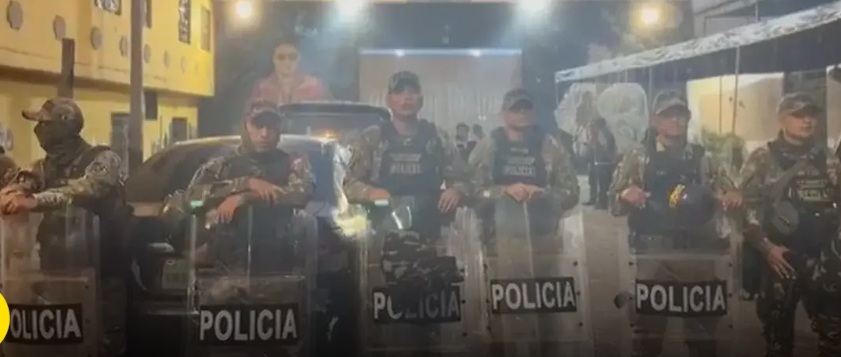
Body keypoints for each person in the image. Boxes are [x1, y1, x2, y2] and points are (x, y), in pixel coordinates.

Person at [609, 90, 742, 357]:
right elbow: (613, 202)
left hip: (698, 256)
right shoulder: (638, 157)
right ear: (654, 120)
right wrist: (625, 195)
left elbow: (732, 191)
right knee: (647, 334)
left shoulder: (705, 158)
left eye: (680, 114)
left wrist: (732, 196)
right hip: (652, 256)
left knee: (702, 336)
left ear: (688, 118)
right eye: (667, 114)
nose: (675, 120)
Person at [0, 97, 129, 357]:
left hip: (101, 277)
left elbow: (84, 188)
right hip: (55, 275)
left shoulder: (104, 160)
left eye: (44, 123)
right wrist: (13, 192)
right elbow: (26, 182)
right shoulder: (43, 166)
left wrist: (35, 201)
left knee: (103, 345)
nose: (38, 130)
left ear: (64, 126)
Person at [344, 70, 470, 291]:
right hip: (383, 239)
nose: (407, 97)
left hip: (431, 238)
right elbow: (350, 185)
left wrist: (455, 191)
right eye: (400, 92)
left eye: (412, 91)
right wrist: (371, 193)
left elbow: (464, 179)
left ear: (421, 99)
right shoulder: (373, 138)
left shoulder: (437, 137)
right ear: (389, 100)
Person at [738, 92, 841, 357]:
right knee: (778, 340)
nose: (807, 121)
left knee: (834, 337)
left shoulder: (827, 157)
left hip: (822, 262)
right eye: (798, 115)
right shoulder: (762, 158)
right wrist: (767, 248)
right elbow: (744, 209)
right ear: (782, 118)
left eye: (811, 115)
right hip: (780, 260)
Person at [185, 99, 314, 269]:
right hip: (225, 265)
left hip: (278, 261)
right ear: (246, 126)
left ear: (279, 130)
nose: (265, 134)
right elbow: (192, 196)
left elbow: (301, 193)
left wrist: (244, 198)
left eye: (271, 127)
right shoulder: (223, 164)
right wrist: (246, 183)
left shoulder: (293, 163)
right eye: (258, 126)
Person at [469, 88, 580, 213]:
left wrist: (542, 194)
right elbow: (471, 191)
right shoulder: (487, 146)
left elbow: (571, 192)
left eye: (527, 107)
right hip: (495, 221)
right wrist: (504, 191)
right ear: (504, 114)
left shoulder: (551, 146)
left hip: (541, 220)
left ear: (534, 113)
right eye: (516, 108)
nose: (522, 112)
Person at [250, 38, 332, 105]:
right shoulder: (261, 87)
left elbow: (330, 113)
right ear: (273, 59)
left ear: (299, 58)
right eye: (281, 57)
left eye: (292, 57)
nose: (287, 62)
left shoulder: (315, 85)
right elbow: (250, 116)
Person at [584, 117, 617, 209]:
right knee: (601, 182)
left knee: (604, 183)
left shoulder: (602, 133)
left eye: (592, 126)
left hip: (604, 163)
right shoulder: (602, 133)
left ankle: (603, 202)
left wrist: (594, 141)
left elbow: (604, 147)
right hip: (601, 162)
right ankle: (599, 201)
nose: (590, 129)